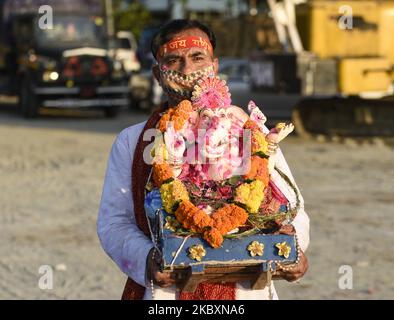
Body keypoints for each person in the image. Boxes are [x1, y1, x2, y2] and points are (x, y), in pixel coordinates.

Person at [97, 19, 309, 300]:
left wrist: (294, 247)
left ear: (215, 65)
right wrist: (148, 259)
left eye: (198, 57)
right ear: (157, 74)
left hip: (245, 291)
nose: (187, 69)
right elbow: (114, 223)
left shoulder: (252, 133)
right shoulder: (134, 141)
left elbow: (295, 211)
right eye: (173, 60)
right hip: (166, 292)